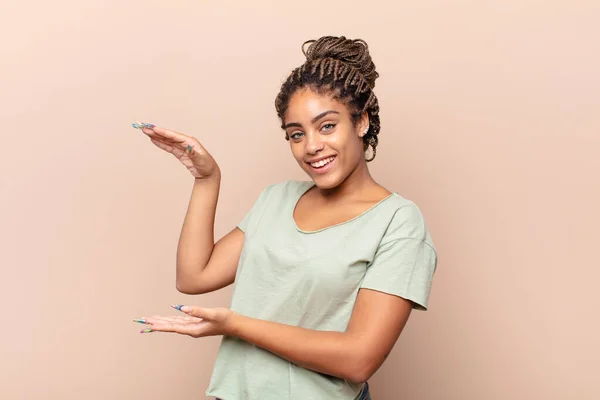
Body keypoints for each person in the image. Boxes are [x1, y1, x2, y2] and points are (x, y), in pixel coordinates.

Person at [132, 35, 438, 400]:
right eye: (296, 134)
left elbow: (359, 359)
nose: (311, 146)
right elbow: (194, 276)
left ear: (362, 123)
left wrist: (236, 325)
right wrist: (206, 179)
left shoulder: (398, 222)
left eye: (327, 126)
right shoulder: (277, 199)